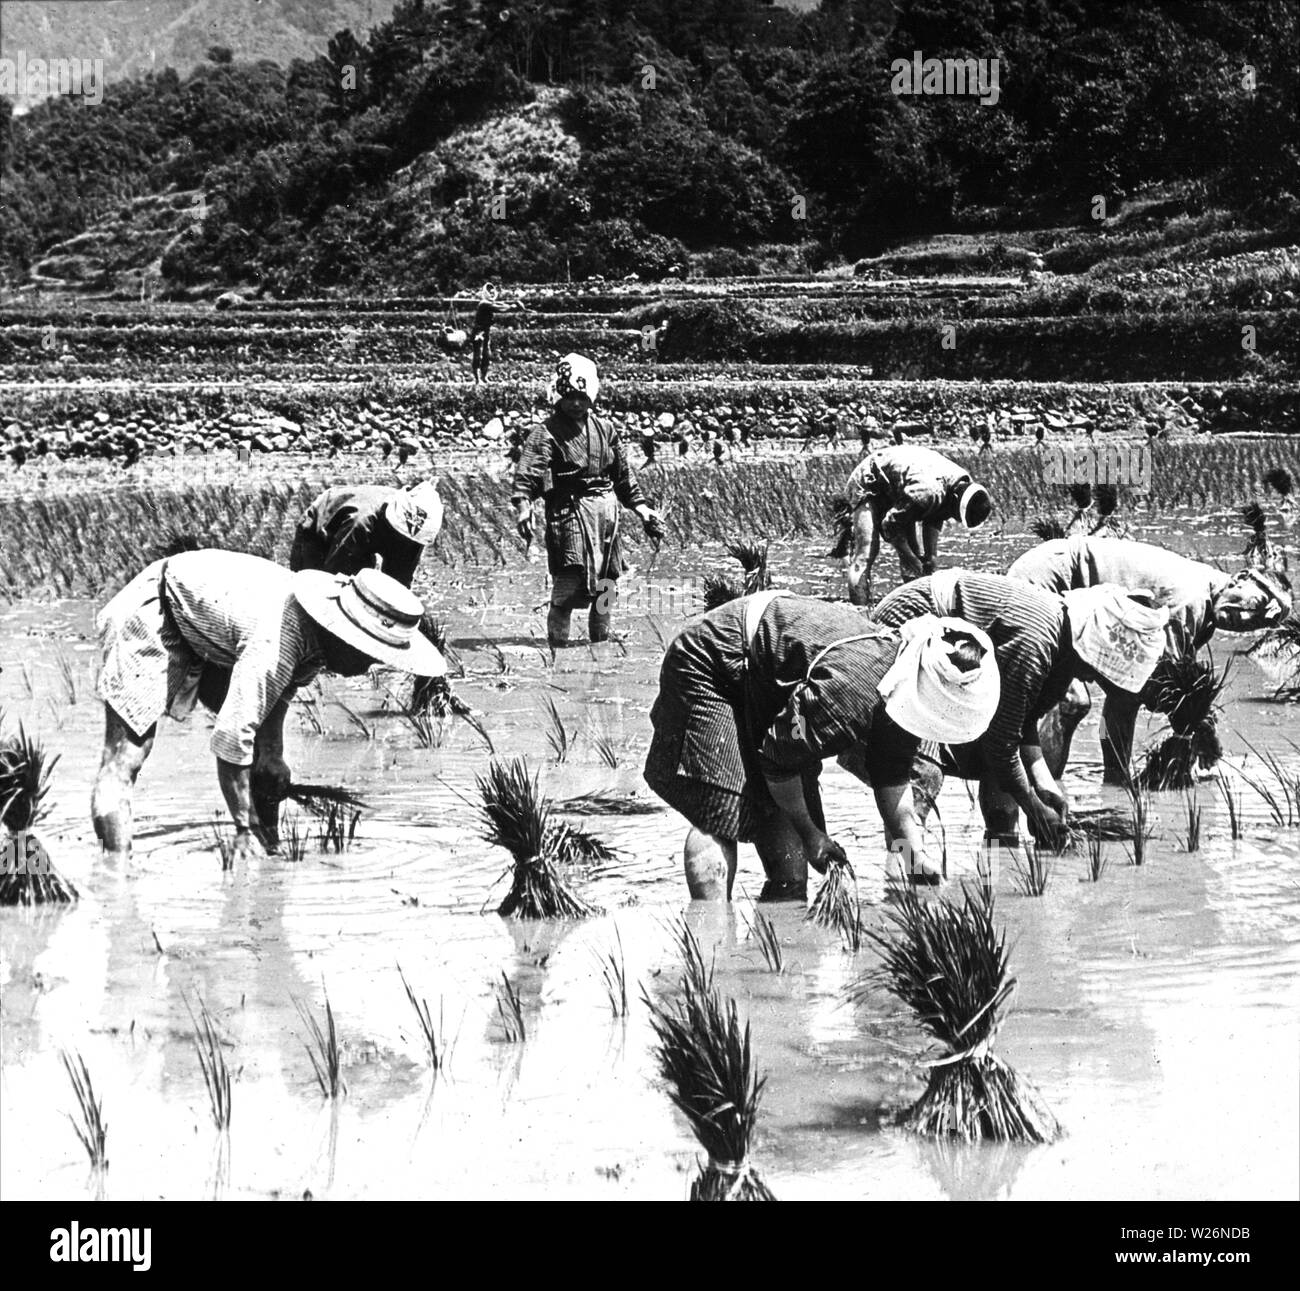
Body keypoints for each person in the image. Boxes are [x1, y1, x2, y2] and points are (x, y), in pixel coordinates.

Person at [643, 590, 1001, 900]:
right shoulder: (856, 695)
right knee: (721, 809)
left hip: (768, 680)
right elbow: (778, 761)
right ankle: (711, 943)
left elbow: (892, 785)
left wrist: (913, 857)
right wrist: (814, 834)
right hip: (714, 663)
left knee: (791, 866)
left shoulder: (904, 694)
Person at [92, 551, 445, 859]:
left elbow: (280, 689)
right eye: (369, 653)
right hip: (155, 607)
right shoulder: (279, 638)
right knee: (127, 756)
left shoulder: (316, 637)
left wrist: (272, 752)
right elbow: (232, 737)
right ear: (347, 635)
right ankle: (116, 877)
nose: (369, 665)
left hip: (206, 625)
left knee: (265, 765)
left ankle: (264, 842)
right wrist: (245, 829)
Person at [871, 570, 1170, 846]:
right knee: (923, 772)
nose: (1094, 679)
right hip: (910, 626)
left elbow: (1020, 721)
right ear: (1091, 651)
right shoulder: (1036, 646)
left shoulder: (1061, 651)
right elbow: (1001, 742)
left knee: (977, 772)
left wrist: (1043, 783)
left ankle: (976, 856)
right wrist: (1035, 808)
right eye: (1099, 670)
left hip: (952, 656)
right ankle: (904, 874)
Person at [1008, 535, 1290, 781]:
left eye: (1255, 623)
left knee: (1113, 696)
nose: (1244, 619)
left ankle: (1077, 783)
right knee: (1073, 700)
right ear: (1240, 578)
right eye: (1250, 606)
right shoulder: (1190, 601)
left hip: (1074, 597)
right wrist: (1194, 731)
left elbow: (1139, 691)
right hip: (1049, 580)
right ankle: (1043, 789)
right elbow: (1143, 693)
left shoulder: (1206, 602)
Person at [512, 353, 665, 648]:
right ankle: (558, 647)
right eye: (569, 397)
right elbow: (528, 474)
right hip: (570, 512)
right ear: (558, 395)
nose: (576, 403)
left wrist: (643, 509)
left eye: (582, 397)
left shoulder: (605, 430)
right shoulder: (545, 432)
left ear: (591, 396)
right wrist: (523, 508)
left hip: (607, 514)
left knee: (608, 583)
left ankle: (600, 643)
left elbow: (623, 476)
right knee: (567, 586)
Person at [843, 444, 993, 605]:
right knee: (867, 552)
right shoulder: (927, 494)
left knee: (917, 557)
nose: (952, 518)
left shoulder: (961, 483)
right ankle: (860, 614)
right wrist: (907, 556)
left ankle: (913, 608)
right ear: (956, 501)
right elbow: (889, 525)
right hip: (870, 480)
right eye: (955, 516)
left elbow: (936, 516)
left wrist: (931, 557)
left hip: (901, 486)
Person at [288, 481, 442, 588]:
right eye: (401, 537)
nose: (406, 544)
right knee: (312, 586)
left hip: (367, 533)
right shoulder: (361, 522)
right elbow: (335, 575)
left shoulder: (415, 535)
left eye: (410, 541)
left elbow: (400, 583)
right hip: (320, 529)